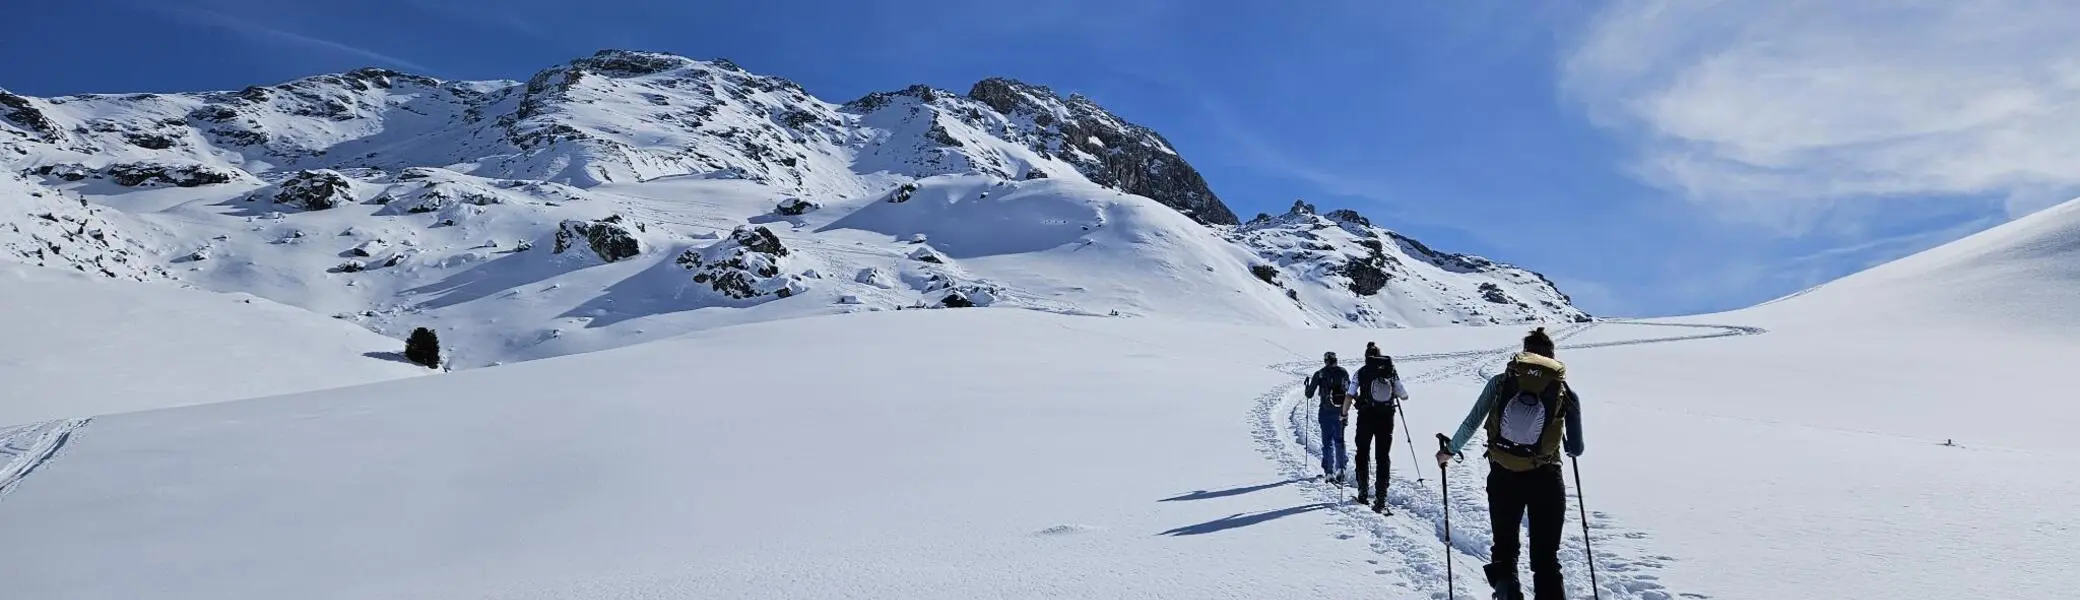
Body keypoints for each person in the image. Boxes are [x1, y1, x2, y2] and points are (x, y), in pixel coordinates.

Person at [1435, 327, 1584, 600]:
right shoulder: (1565, 392)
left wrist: (1449, 451)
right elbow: (1576, 449)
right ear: (1551, 357)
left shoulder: (1501, 382)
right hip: (1547, 477)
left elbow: (1472, 422)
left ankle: (1507, 593)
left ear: (1523, 355)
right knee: (1546, 558)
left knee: (1504, 550)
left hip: (1503, 476)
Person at [1351, 343, 1407, 512]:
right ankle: (1381, 498)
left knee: (1362, 453)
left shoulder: (1360, 372)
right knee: (1382, 456)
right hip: (1386, 418)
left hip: (1365, 417)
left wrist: (1344, 413)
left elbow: (1350, 392)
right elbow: (1404, 395)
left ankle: (1363, 492)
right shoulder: (1390, 371)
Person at [1304, 351, 1353, 484]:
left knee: (1327, 443)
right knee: (1340, 440)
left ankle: (1329, 472)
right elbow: (1349, 390)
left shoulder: (1320, 373)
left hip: (1325, 411)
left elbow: (1309, 394)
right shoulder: (1343, 372)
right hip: (1341, 412)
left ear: (1325, 360)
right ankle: (1341, 469)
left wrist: (1307, 386)